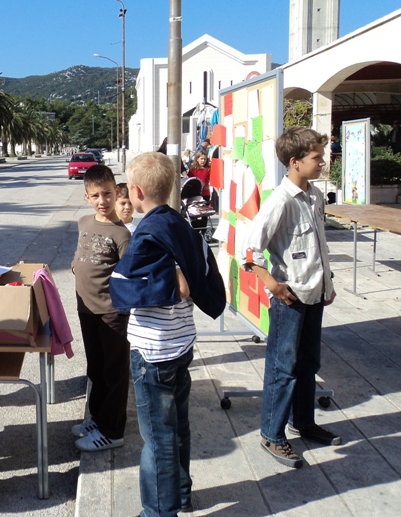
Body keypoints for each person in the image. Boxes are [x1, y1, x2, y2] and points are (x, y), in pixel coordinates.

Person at [109, 151, 225, 516]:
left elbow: (122, 286)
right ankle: (182, 495)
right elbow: (203, 271)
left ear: (136, 192)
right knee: (178, 427)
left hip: (153, 351)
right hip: (181, 342)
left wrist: (174, 284)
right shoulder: (182, 225)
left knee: (157, 439)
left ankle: (160, 511)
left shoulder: (147, 233)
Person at [239, 126, 340, 470]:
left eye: (322, 156)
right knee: (282, 367)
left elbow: (318, 245)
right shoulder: (280, 201)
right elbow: (250, 251)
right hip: (290, 300)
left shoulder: (315, 196)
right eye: (316, 157)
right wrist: (273, 285)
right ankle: (272, 433)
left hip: (315, 294)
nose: (323, 162)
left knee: (308, 363)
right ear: (295, 162)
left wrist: (328, 282)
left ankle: (304, 422)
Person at [72, 165, 131, 452]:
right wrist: (75, 266)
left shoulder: (122, 234)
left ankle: (113, 431)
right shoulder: (84, 222)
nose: (102, 201)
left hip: (112, 312)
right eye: (95, 195)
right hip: (87, 310)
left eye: (107, 194)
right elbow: (80, 254)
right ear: (87, 197)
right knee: (95, 368)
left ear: (116, 192)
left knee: (114, 372)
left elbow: (129, 275)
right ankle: (97, 418)